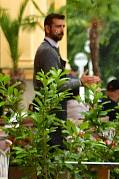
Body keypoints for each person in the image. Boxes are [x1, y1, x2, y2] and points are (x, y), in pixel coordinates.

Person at [33, 13, 99, 143]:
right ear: (47, 28)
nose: (62, 30)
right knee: (54, 151)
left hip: (54, 113)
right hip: (51, 114)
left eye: (63, 26)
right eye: (58, 26)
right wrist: (79, 81)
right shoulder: (47, 51)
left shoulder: (52, 49)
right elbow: (54, 86)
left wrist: (73, 79)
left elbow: (58, 81)